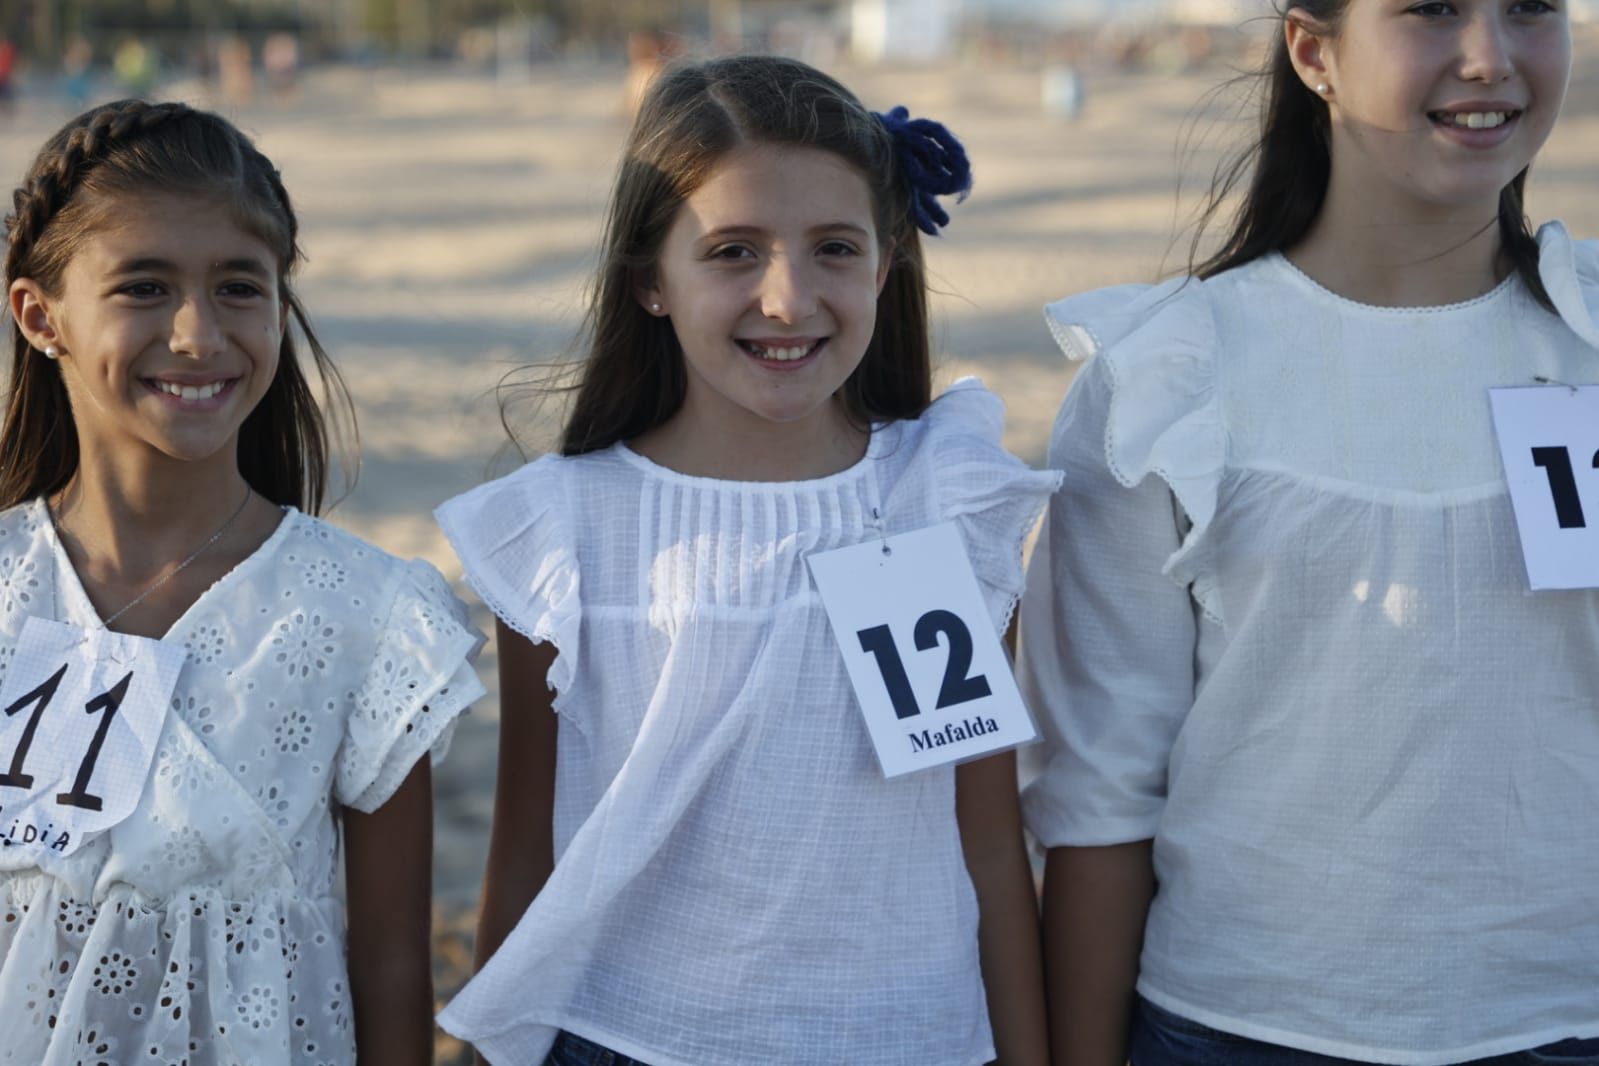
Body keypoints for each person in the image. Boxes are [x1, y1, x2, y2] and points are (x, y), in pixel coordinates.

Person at [435, 55, 1054, 1066]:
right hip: (625, 1036)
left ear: (888, 262)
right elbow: (528, 854)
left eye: (834, 248)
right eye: (733, 250)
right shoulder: (564, 529)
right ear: (649, 279)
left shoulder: (942, 499)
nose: (787, 296)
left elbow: (988, 837)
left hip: (915, 1037)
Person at [1020, 2, 1599, 1064]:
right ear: (1312, 51)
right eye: (1430, 10)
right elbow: (1099, 797)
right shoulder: (1167, 376)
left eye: (1531, 8)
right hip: (1234, 1027)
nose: (1490, 55)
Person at [0, 99, 484, 1065]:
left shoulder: (369, 616)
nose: (196, 333)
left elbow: (393, 963)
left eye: (237, 286)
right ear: (39, 314)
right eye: (143, 286)